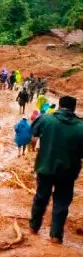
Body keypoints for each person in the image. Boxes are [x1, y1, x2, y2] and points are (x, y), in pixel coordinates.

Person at [29, 96, 83, 244]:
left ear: (59, 105)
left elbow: (33, 132)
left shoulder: (47, 119)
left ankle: (34, 226)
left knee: (41, 197)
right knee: (61, 202)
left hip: (46, 167)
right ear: (74, 108)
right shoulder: (81, 126)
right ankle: (56, 235)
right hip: (68, 172)